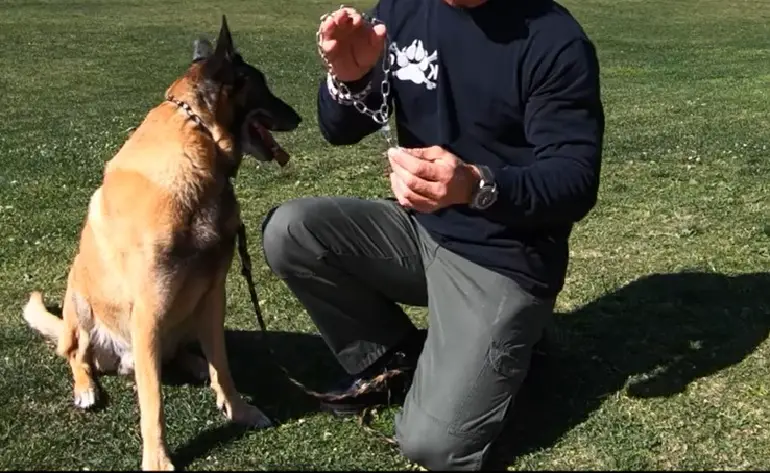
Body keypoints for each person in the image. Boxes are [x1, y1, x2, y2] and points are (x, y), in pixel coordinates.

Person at [261, 0, 604, 469]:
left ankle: (517, 349)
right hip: (421, 228)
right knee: (292, 233)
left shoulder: (552, 37)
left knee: (430, 444)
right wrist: (350, 78)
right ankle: (397, 359)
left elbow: (575, 180)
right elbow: (339, 129)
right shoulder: (404, 9)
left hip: (503, 256)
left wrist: (475, 185)